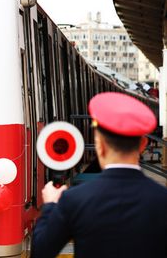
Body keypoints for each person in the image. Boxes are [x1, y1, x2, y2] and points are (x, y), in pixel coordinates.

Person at [31, 92, 167, 258]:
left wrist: (51, 205)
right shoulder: (162, 199)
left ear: (100, 145)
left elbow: (40, 252)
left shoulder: (74, 199)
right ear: (143, 145)